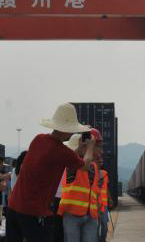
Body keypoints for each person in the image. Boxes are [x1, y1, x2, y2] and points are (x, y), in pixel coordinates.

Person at [6, 103, 95, 242]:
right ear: (67, 130)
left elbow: (60, 158)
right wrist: (90, 147)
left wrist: (78, 149)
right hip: (33, 213)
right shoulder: (62, 151)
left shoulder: (38, 139)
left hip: (13, 208)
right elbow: (84, 166)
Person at [58, 129, 103, 242]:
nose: (101, 151)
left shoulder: (94, 168)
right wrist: (86, 147)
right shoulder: (73, 163)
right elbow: (73, 159)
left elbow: (95, 194)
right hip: (73, 214)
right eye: (98, 146)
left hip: (91, 216)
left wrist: (98, 214)